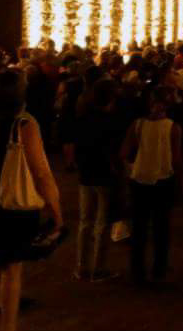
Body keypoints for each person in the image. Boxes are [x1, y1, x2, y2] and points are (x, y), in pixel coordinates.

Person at [0, 70, 64, 331]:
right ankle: (8, 326)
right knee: (12, 270)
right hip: (14, 207)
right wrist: (56, 211)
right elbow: (41, 172)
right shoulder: (24, 126)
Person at [120, 86, 183, 285]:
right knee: (161, 227)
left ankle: (138, 271)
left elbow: (124, 152)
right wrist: (181, 180)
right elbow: (176, 158)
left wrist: (132, 167)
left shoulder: (137, 125)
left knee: (139, 227)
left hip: (140, 179)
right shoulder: (173, 128)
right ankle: (159, 269)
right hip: (163, 179)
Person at [73, 78, 120, 281]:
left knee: (85, 222)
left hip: (86, 174)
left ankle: (81, 267)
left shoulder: (82, 118)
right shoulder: (109, 121)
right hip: (103, 175)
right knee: (102, 223)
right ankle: (98, 268)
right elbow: (112, 151)